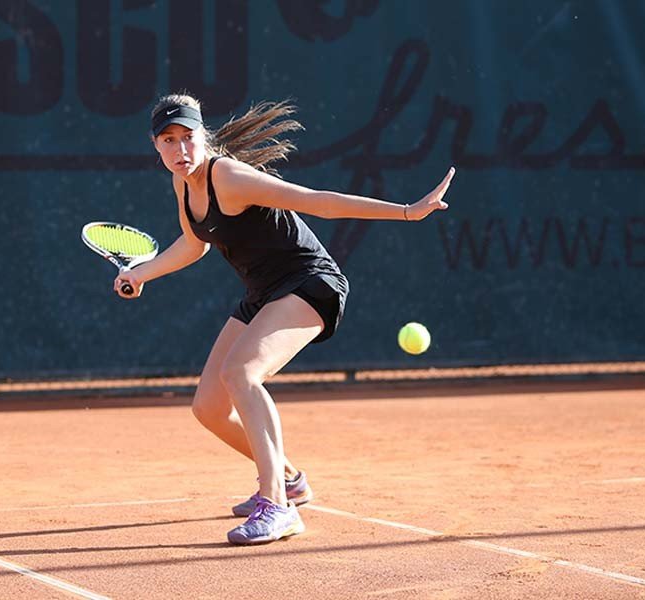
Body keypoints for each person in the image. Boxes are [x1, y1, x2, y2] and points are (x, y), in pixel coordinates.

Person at [115, 93, 455, 545]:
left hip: (310, 282)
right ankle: (291, 480)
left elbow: (317, 201)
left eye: (188, 137)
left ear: (203, 135)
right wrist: (142, 273)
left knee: (242, 373)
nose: (180, 149)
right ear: (156, 145)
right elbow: (194, 244)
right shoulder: (183, 184)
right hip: (262, 292)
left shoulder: (229, 176)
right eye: (168, 140)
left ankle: (277, 505)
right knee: (209, 408)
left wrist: (408, 212)